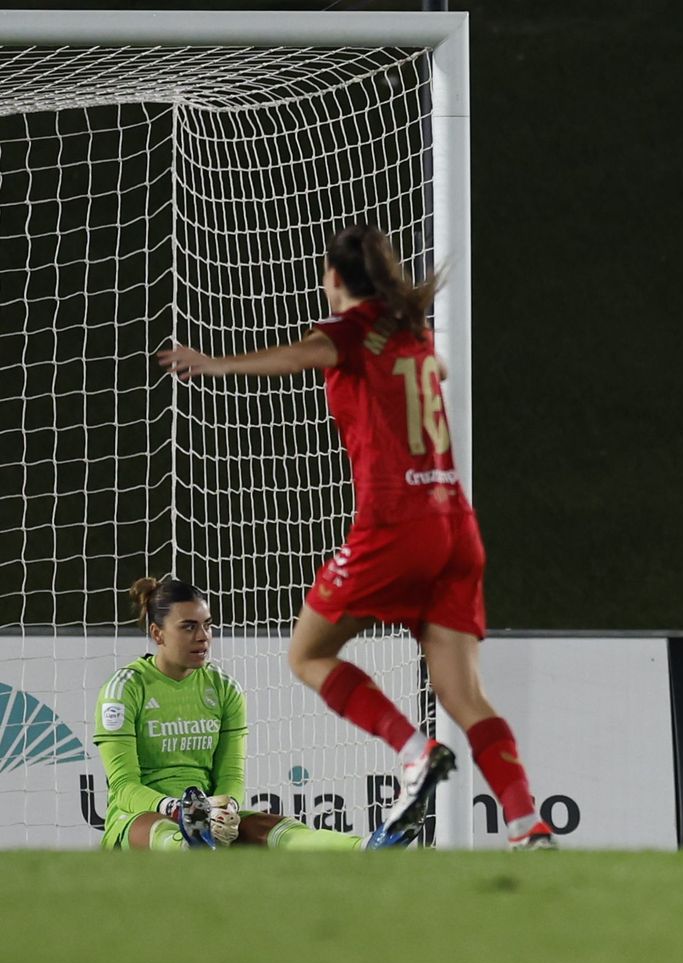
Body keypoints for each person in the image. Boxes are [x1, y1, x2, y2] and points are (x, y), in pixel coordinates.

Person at [156, 223, 552, 849]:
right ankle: (528, 824)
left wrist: (213, 364)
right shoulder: (408, 332)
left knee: (307, 655)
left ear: (335, 278)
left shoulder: (347, 332)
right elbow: (437, 366)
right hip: (456, 525)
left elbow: (295, 356)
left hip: (397, 525)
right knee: (463, 694)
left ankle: (413, 751)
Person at [94, 577, 373, 851]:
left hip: (207, 814)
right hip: (138, 818)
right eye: (189, 627)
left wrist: (225, 809)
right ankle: (190, 845)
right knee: (166, 833)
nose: (203, 636)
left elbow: (232, 776)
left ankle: (365, 847)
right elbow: (124, 786)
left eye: (207, 625)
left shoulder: (224, 688)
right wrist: (179, 809)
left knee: (272, 829)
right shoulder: (124, 689)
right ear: (158, 634)